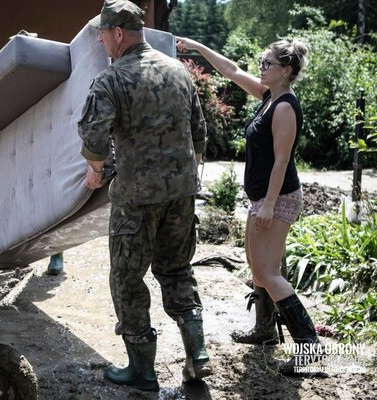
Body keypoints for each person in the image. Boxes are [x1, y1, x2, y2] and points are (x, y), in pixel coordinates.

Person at [79, 0, 212, 391]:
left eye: (103, 33)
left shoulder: (112, 78)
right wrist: (184, 174)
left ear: (118, 33)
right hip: (182, 192)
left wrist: (96, 171)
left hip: (136, 198)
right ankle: (197, 354)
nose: (101, 40)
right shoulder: (178, 71)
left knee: (127, 278)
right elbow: (198, 131)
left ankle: (142, 370)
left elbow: (93, 135)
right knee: (176, 269)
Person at [176, 36, 318, 375]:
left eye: (268, 63)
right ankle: (266, 329)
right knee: (258, 267)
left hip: (278, 197)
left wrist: (268, 205)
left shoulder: (284, 106)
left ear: (286, 71)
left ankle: (309, 347)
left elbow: (282, 161)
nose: (261, 66)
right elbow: (232, 69)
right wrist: (197, 47)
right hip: (264, 198)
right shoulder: (270, 96)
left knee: (268, 272)